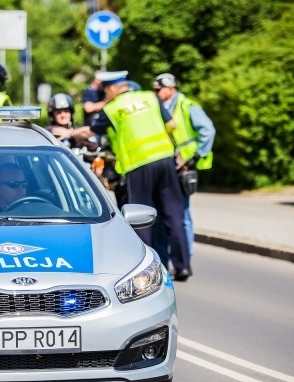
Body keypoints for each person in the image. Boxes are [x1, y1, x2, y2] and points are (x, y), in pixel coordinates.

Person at [89, 70, 191, 281]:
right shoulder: (149, 97)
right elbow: (172, 124)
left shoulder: (112, 108)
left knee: (141, 219)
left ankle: (147, 272)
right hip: (165, 160)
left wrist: (71, 132)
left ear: (111, 89)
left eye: (105, 92)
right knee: (174, 214)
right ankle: (183, 266)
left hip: (137, 166)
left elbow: (91, 130)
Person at [152, 73, 217, 260]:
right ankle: (168, 257)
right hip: (165, 165)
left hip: (184, 166)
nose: (155, 93)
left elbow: (208, 131)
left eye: (158, 89)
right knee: (164, 212)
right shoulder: (158, 107)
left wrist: (196, 156)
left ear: (171, 89)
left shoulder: (187, 105)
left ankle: (185, 256)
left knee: (182, 212)